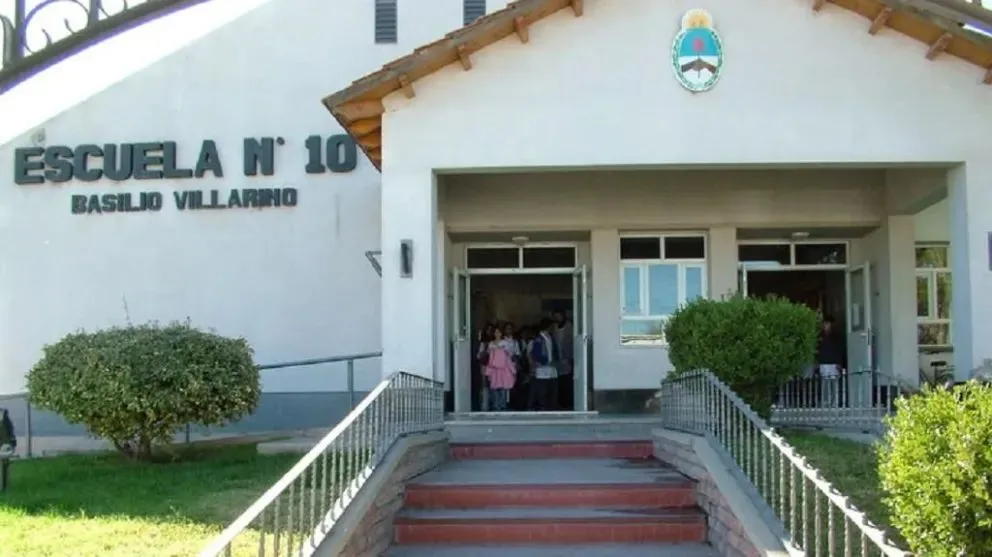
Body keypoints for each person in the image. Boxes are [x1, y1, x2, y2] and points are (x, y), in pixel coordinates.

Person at [528, 318, 559, 411]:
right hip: (542, 367)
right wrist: (541, 362)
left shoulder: (550, 337)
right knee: (542, 389)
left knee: (551, 387)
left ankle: (551, 406)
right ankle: (542, 406)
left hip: (551, 366)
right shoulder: (538, 339)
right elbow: (535, 353)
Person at [484, 328, 517, 411]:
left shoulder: (505, 342)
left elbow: (510, 353)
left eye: (499, 332)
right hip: (494, 367)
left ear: (501, 333)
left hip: (504, 367)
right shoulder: (491, 344)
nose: (497, 333)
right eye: (495, 332)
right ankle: (496, 405)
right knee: (494, 387)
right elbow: (489, 355)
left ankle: (503, 405)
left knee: (503, 387)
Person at [816, 316, 845, 407]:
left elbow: (840, 349)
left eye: (827, 324)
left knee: (834, 383)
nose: (826, 325)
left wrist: (839, 363)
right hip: (823, 361)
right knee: (825, 383)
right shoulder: (820, 335)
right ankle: (826, 401)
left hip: (834, 362)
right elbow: (817, 349)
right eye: (824, 324)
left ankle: (835, 402)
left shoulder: (836, 335)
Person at [552, 310, 574, 410]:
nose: (557, 319)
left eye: (559, 316)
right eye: (555, 317)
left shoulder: (571, 326)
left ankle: (568, 402)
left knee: (568, 380)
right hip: (557, 359)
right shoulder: (553, 327)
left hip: (568, 357)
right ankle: (560, 402)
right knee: (559, 381)